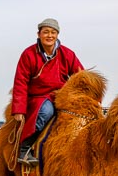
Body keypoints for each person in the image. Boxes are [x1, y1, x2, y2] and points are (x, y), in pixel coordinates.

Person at [11, 18, 84, 166]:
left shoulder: (67, 54)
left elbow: (81, 75)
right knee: (46, 112)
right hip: (38, 97)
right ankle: (24, 149)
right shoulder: (29, 54)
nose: (49, 35)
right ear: (39, 34)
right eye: (46, 32)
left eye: (53, 32)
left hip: (61, 95)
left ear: (57, 35)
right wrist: (18, 109)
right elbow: (20, 81)